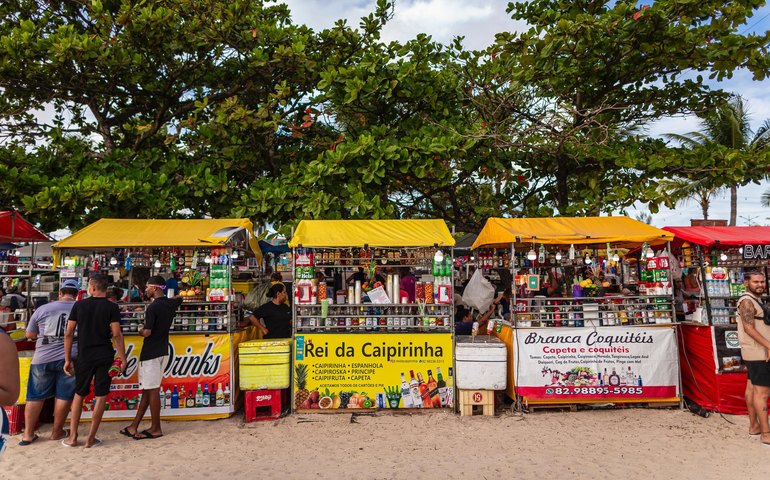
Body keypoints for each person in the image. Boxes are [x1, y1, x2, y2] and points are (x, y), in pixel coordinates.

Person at [62, 274, 126, 448]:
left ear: (93, 288)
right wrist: (122, 357)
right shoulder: (112, 307)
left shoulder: (80, 305)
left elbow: (68, 333)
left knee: (79, 394)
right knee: (101, 395)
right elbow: (116, 334)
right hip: (105, 354)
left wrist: (67, 359)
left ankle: (73, 437)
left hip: (84, 355)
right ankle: (91, 438)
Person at [19, 279, 80, 446]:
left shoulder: (43, 309)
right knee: (64, 396)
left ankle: (28, 434)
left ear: (60, 293)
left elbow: (30, 334)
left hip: (42, 358)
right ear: (76, 295)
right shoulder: (80, 308)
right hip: (71, 358)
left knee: (35, 396)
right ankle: (56, 432)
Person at [121, 276, 180, 440]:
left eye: (147, 287)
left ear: (155, 288)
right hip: (163, 350)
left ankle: (156, 428)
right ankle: (134, 426)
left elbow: (147, 332)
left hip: (151, 352)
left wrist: (140, 329)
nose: (145, 290)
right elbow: (179, 298)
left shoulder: (153, 307)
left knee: (152, 390)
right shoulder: (170, 303)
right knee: (148, 390)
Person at [736, 271, 770, 445]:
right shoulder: (747, 301)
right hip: (759, 353)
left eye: (762, 281)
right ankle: (766, 433)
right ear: (747, 283)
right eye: (756, 281)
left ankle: (754, 427)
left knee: (752, 389)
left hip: (754, 352)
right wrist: (768, 345)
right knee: (762, 394)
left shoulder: (754, 300)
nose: (760, 284)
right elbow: (749, 328)